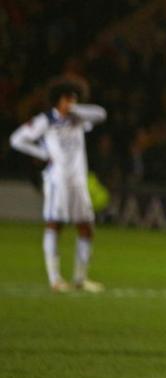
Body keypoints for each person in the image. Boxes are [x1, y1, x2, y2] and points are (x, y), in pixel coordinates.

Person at [10, 79, 107, 293]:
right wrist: (42, 154)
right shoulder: (45, 121)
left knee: (86, 227)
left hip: (78, 180)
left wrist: (74, 109)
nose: (71, 102)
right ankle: (55, 279)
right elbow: (16, 139)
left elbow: (101, 114)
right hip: (57, 180)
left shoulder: (78, 119)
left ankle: (81, 279)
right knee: (55, 224)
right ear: (57, 100)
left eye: (74, 98)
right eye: (67, 98)